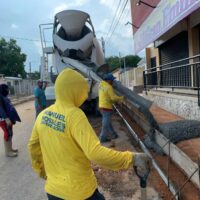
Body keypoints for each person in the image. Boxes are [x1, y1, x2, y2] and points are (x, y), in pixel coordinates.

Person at [28, 69, 151, 200]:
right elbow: (95, 154)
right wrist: (131, 158)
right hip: (79, 192)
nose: (85, 96)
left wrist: (43, 172)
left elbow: (33, 147)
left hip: (53, 191)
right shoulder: (74, 115)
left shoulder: (42, 115)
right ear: (74, 90)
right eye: (83, 91)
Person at [98, 73, 123, 143]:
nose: (113, 81)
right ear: (108, 80)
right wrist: (121, 98)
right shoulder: (109, 87)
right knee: (105, 124)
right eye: (112, 80)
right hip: (106, 107)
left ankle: (113, 134)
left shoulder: (101, 85)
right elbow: (113, 97)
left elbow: (106, 96)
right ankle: (102, 138)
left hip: (101, 106)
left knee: (107, 123)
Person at [0, 84, 21, 157]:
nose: (8, 90)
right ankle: (8, 152)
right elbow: (1, 109)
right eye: (6, 89)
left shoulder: (4, 97)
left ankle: (10, 149)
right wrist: (6, 118)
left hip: (8, 119)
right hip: (4, 119)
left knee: (10, 133)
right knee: (7, 134)